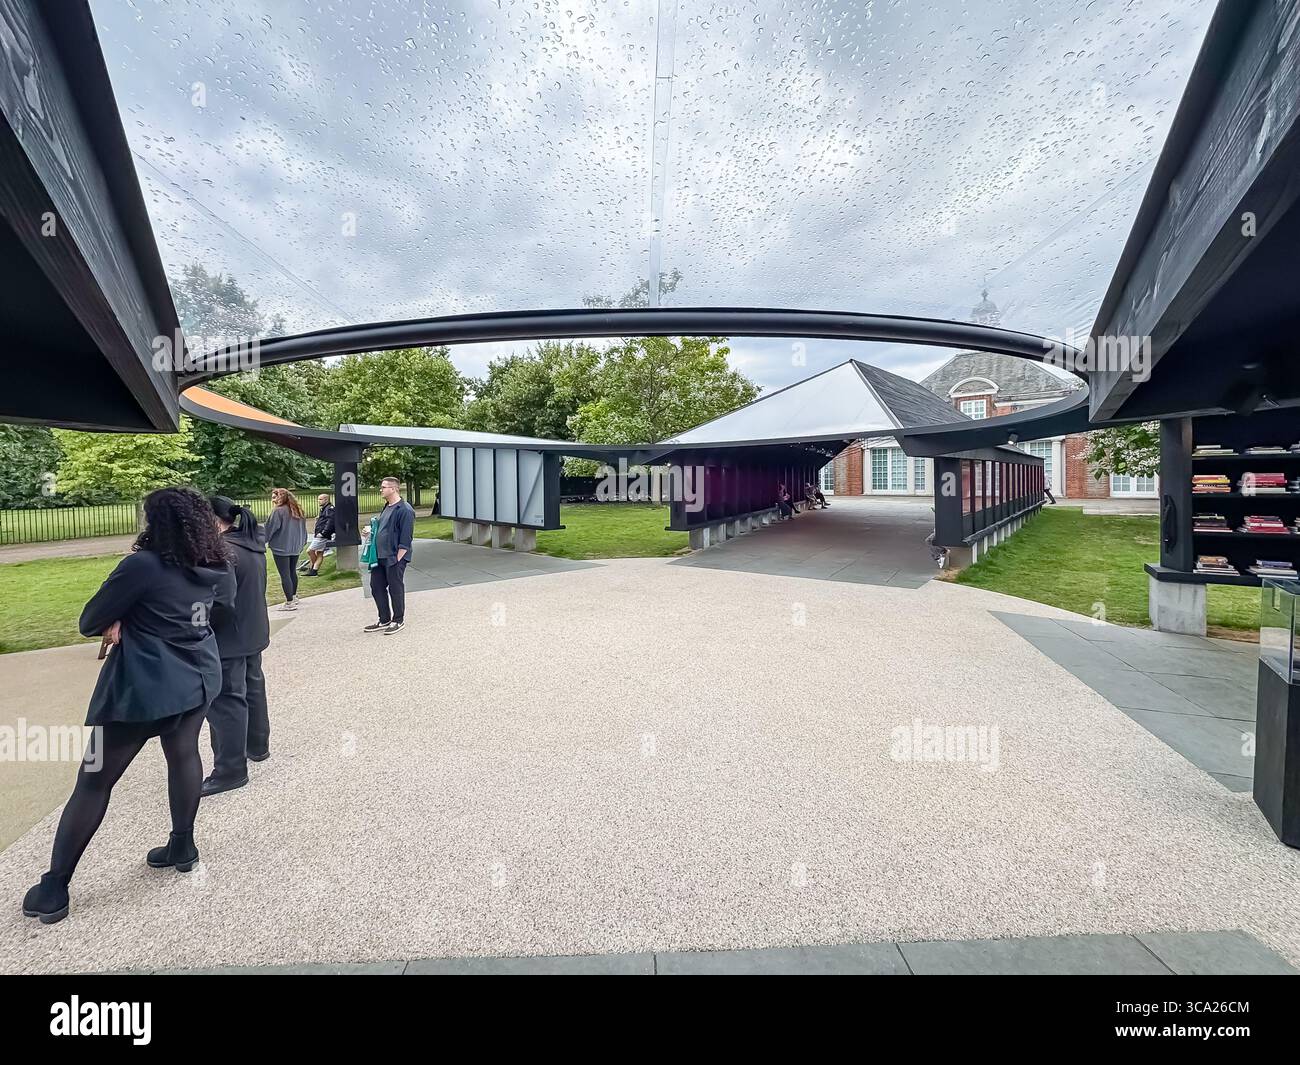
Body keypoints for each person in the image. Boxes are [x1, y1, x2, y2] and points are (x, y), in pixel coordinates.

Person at [21, 487, 234, 924]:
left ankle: (55, 886)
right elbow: (213, 613)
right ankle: (182, 843)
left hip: (145, 687)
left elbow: (88, 622)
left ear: (157, 523)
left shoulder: (142, 565)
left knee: (93, 781)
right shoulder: (215, 564)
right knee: (183, 756)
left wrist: (120, 619)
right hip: (198, 675)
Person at [203, 497, 272, 797]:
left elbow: (220, 601)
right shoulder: (251, 543)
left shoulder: (223, 550)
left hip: (228, 635)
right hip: (252, 628)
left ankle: (230, 769)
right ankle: (257, 745)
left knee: (226, 701)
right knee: (252, 687)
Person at [365, 476, 415, 635]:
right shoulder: (387, 507)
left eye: (384, 487)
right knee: (376, 587)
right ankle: (384, 619)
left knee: (395, 588)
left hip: (394, 557)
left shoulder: (405, 510)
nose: (381, 490)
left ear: (393, 488)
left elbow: (406, 538)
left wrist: (397, 559)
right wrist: (371, 531)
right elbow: (384, 529)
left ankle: (398, 620)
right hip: (379, 556)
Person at [264, 487, 307, 610]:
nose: (273, 500)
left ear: (281, 497)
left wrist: (262, 542)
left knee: (285, 574)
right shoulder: (298, 510)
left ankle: (289, 602)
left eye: (274, 497)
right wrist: (302, 542)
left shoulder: (278, 511)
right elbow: (303, 530)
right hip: (295, 546)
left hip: (281, 547)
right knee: (292, 571)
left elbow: (270, 529)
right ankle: (293, 596)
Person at [304, 493, 336, 576]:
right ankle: (314, 570)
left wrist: (323, 533)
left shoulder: (329, 509)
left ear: (326, 500)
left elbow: (330, 522)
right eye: (318, 499)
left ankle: (313, 568)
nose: (318, 501)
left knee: (310, 551)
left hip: (322, 535)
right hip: (320, 533)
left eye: (320, 499)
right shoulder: (325, 508)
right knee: (319, 552)